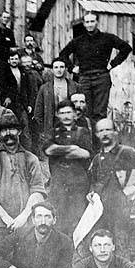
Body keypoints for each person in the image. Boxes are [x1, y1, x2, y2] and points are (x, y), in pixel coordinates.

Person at [87, 118, 135, 251]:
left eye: (108, 129)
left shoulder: (126, 152)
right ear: (96, 134)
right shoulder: (97, 158)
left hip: (120, 207)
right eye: (101, 131)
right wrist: (91, 192)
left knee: (120, 245)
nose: (104, 133)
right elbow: (93, 180)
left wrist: (133, 187)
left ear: (115, 132)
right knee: (101, 245)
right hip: (100, 209)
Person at [0, 112, 46, 249]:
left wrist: (24, 216)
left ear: (19, 131)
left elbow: (38, 191)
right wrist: (6, 218)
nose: (8, 133)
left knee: (25, 259)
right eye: (4, 130)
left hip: (25, 224)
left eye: (12, 129)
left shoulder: (31, 159)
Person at [59, 12, 133, 124]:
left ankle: (99, 134)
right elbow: (63, 54)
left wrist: (113, 64)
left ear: (97, 22)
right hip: (84, 79)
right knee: (84, 110)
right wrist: (72, 68)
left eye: (92, 21)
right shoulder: (78, 41)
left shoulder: (107, 38)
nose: (90, 24)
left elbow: (126, 48)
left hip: (101, 77)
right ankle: (86, 134)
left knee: (100, 112)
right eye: (87, 22)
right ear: (84, 24)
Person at [42, 99, 92, 235]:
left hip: (78, 181)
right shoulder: (53, 132)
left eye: (69, 112)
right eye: (62, 113)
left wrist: (59, 150)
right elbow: (49, 150)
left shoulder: (83, 132)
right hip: (59, 181)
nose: (66, 116)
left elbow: (86, 153)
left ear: (74, 114)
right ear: (57, 115)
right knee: (58, 217)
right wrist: (72, 148)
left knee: (77, 217)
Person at [33, 58, 79, 147]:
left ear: (66, 69)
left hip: (69, 124)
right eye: (56, 67)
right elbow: (38, 112)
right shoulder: (45, 88)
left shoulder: (75, 86)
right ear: (52, 70)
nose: (59, 70)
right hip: (51, 124)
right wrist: (44, 128)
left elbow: (79, 108)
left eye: (61, 67)